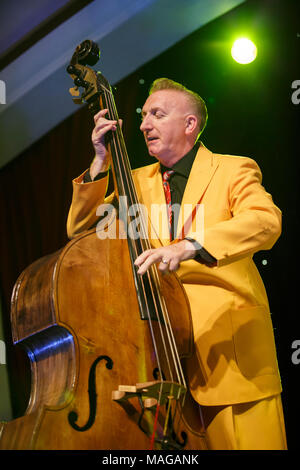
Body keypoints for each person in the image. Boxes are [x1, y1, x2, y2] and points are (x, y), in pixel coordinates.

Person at [67, 78, 287, 450]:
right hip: (165, 362)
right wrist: (100, 162)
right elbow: (81, 232)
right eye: (143, 115)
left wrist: (191, 245)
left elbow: (266, 221)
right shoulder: (131, 182)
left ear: (189, 124)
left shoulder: (232, 170)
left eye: (157, 114)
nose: (143, 124)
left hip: (230, 359)